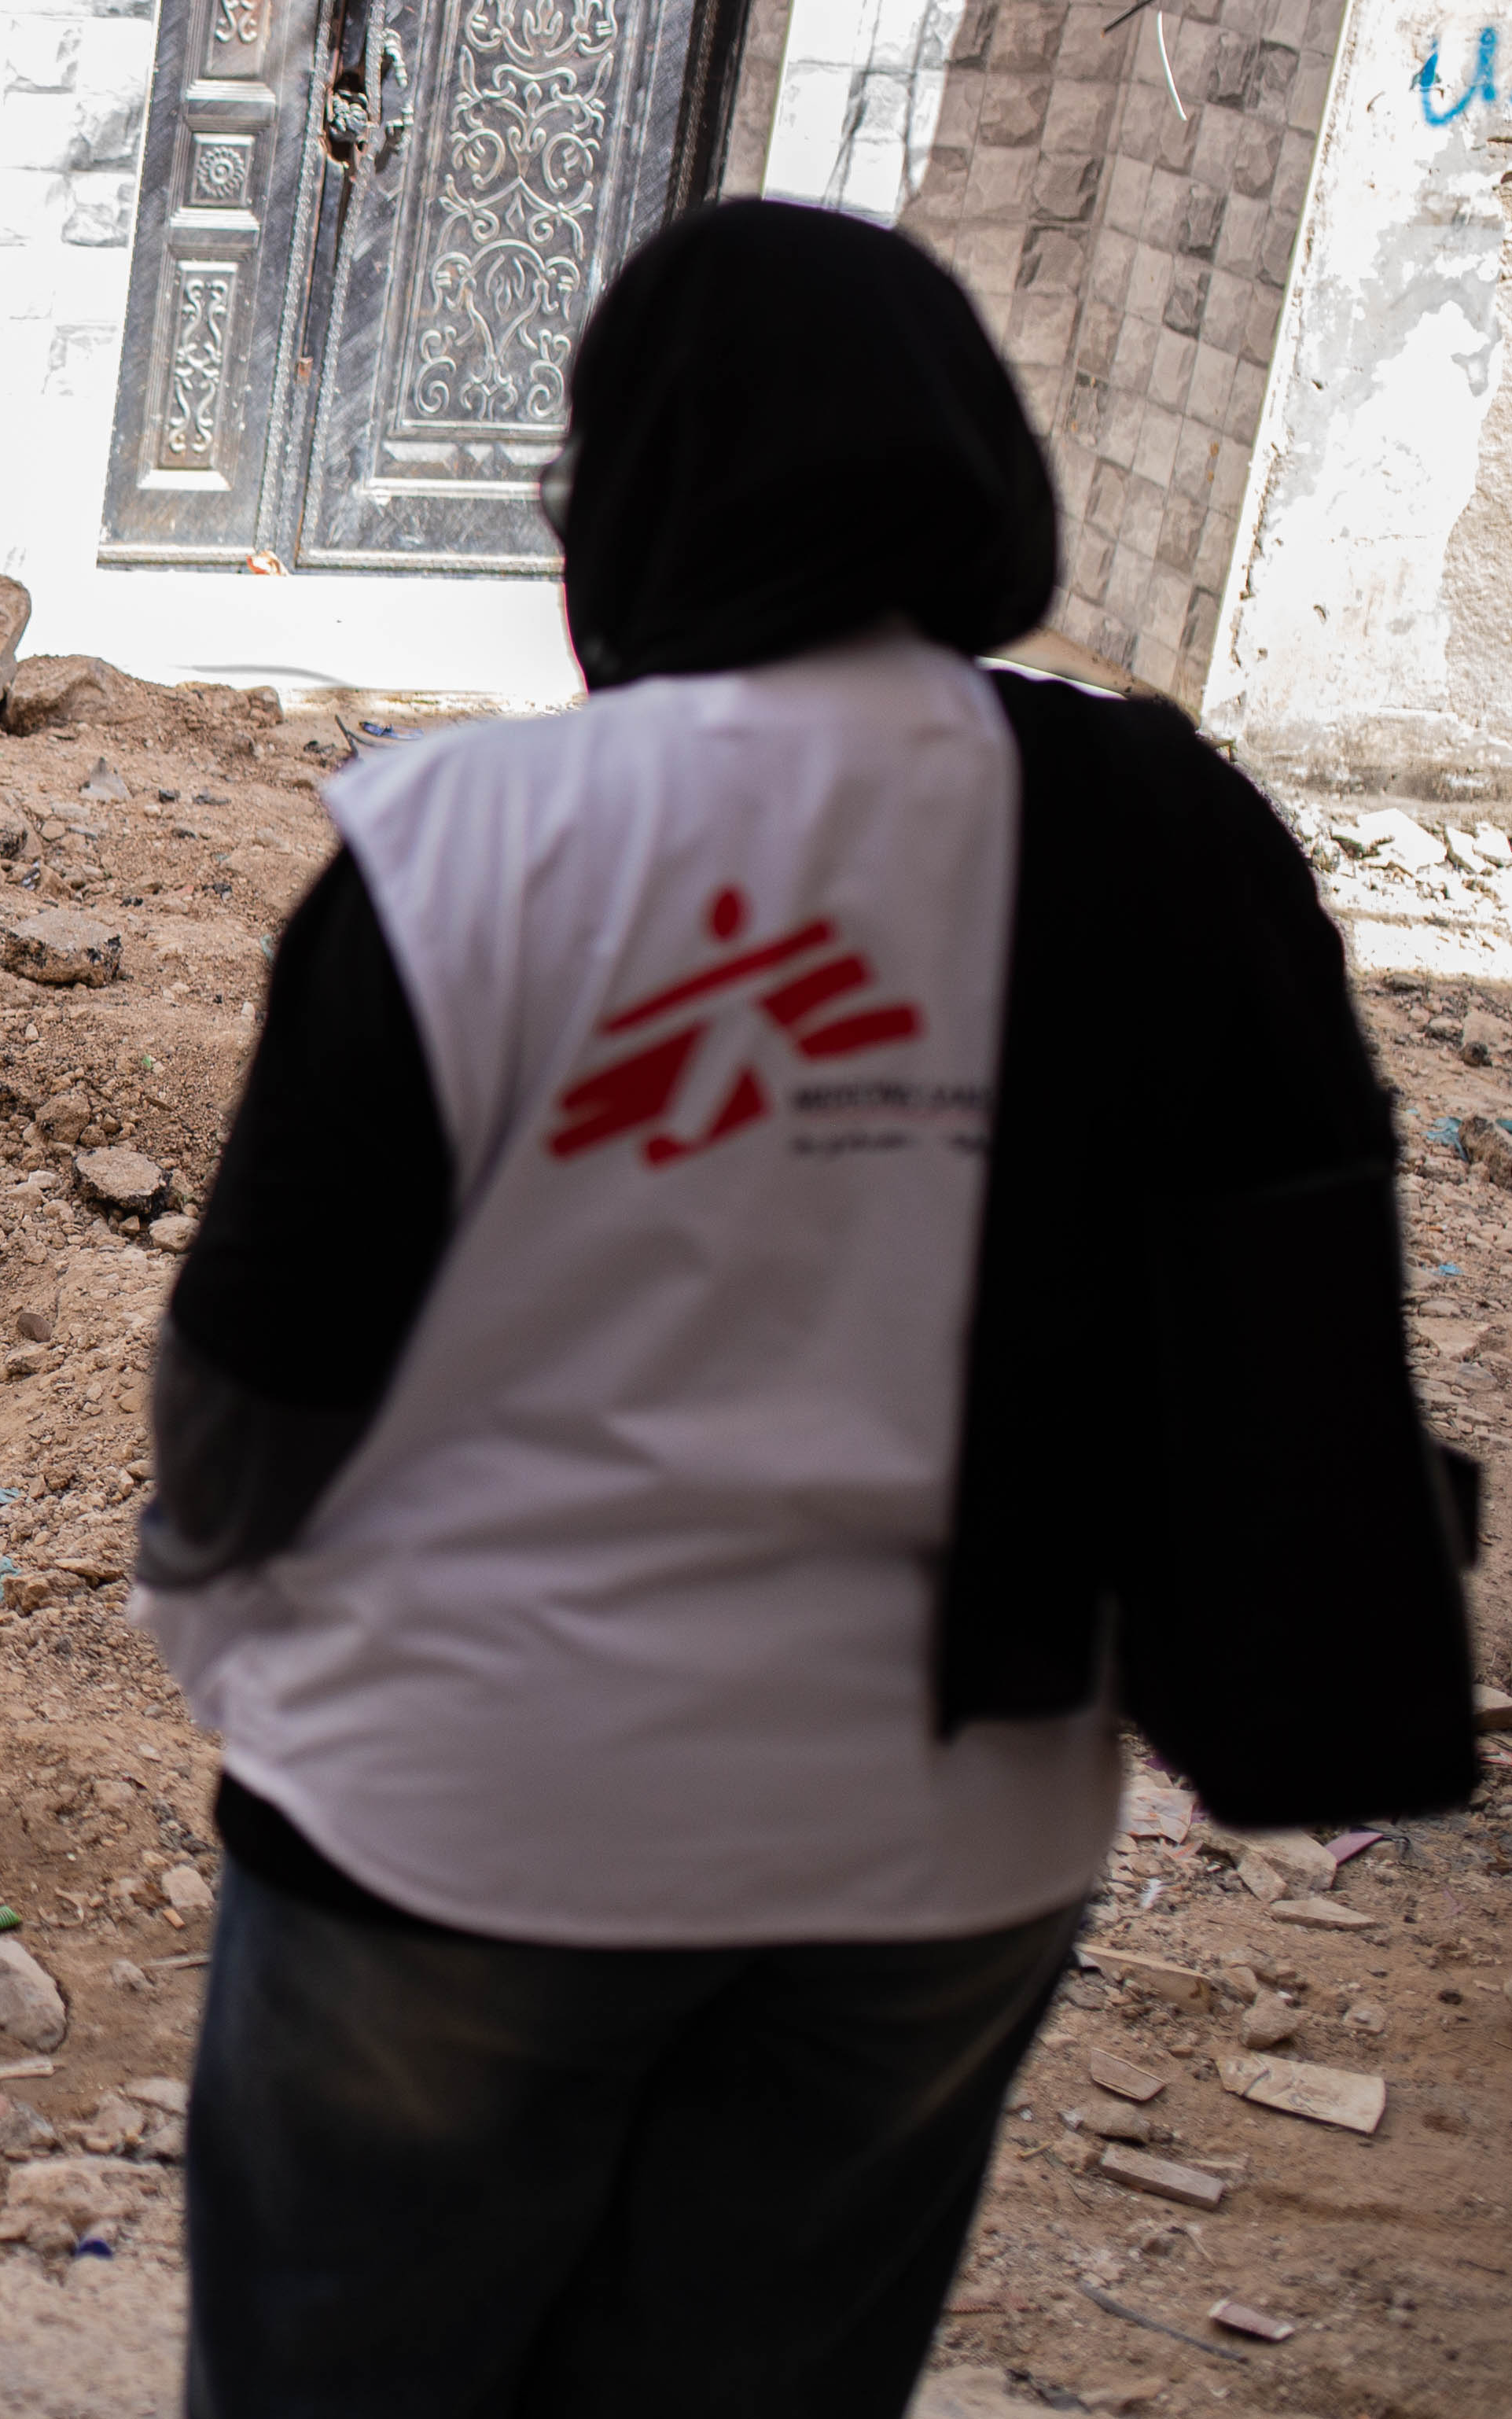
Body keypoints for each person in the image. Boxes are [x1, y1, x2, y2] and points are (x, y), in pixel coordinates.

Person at [138, 200, 1484, 2417]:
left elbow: (257, 1371)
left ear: (622, 502)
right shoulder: (1161, 825)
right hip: (934, 1845)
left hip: (463, 1807)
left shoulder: (460, 839)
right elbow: (1287, 1325)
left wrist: (225, 1628)